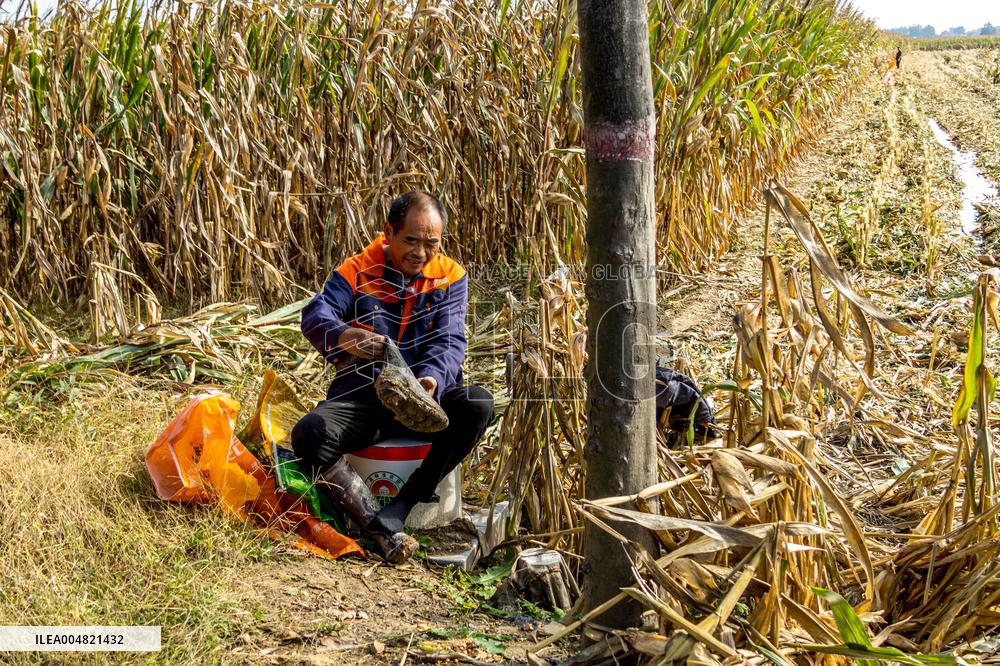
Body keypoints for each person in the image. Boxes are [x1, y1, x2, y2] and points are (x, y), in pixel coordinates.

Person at [291, 191, 494, 564]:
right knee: (310, 433)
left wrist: (430, 382)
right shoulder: (356, 270)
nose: (421, 253)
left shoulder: (449, 276)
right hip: (366, 395)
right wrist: (344, 337)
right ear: (388, 232)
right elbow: (316, 314)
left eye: (431, 243)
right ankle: (377, 524)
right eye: (411, 241)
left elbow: (450, 340)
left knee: (477, 404)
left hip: (425, 400)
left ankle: (404, 502)